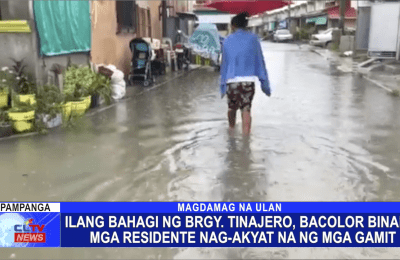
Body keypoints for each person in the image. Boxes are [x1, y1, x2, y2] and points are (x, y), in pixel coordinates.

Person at [220, 12, 271, 135]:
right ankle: (246, 140)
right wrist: (265, 85)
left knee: (231, 108)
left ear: (233, 26)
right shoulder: (254, 39)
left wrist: (222, 86)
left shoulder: (227, 41)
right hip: (248, 81)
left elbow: (224, 65)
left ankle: (231, 130)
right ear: (246, 24)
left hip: (231, 81)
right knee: (246, 108)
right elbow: (260, 62)